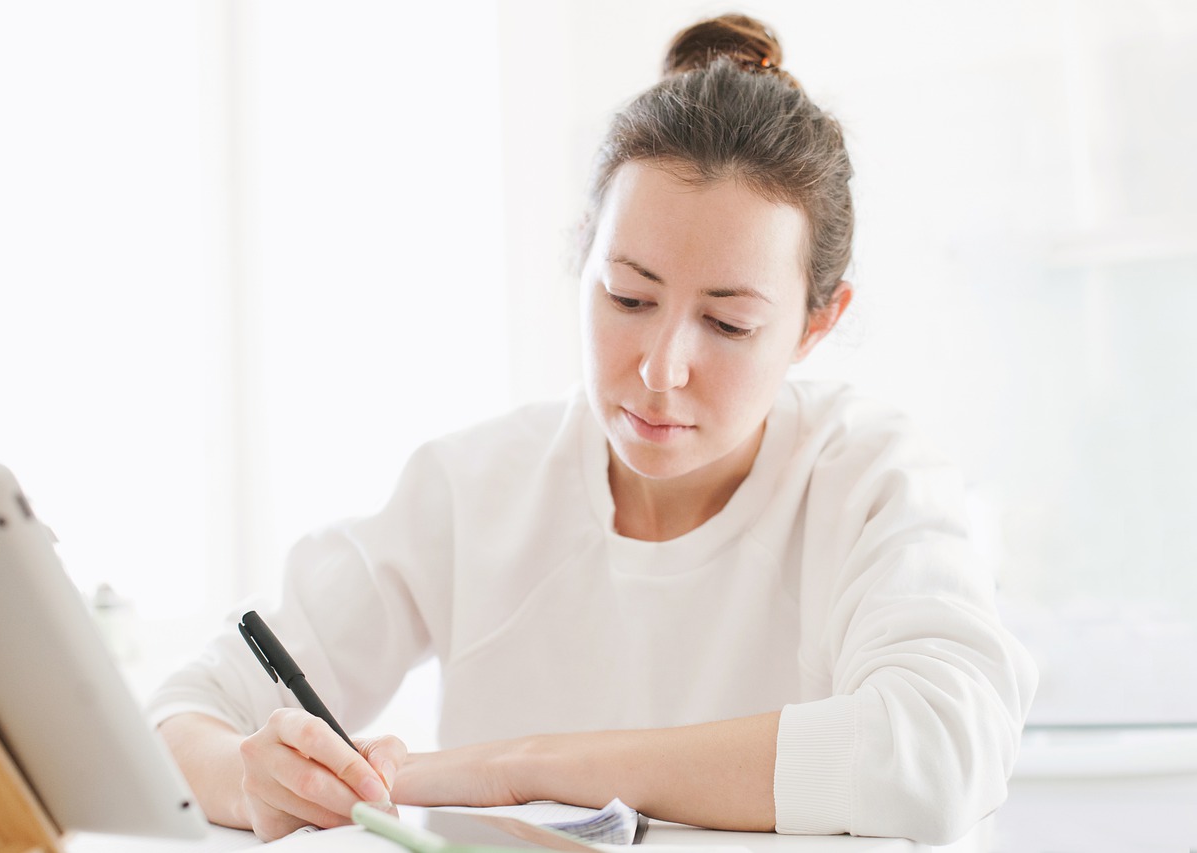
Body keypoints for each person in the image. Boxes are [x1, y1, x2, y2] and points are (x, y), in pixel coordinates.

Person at [149, 14, 1037, 847]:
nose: (661, 368)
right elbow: (179, 717)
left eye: (727, 323)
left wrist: (519, 769)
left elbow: (942, 743)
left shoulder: (869, 479)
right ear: (583, 254)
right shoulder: (474, 488)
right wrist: (252, 781)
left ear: (816, 323)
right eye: (628, 297)